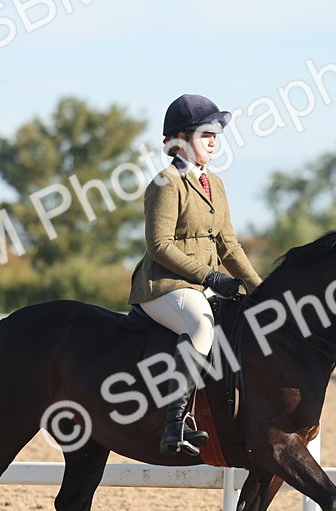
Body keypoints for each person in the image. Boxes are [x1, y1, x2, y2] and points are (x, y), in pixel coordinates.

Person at [128, 94, 262, 456]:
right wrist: (210, 277)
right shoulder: (165, 183)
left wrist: (259, 287)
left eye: (216, 135)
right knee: (201, 326)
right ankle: (175, 425)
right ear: (180, 140)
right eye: (206, 134)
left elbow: (228, 244)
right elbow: (159, 245)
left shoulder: (215, 184)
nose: (214, 142)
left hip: (200, 284)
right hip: (163, 285)